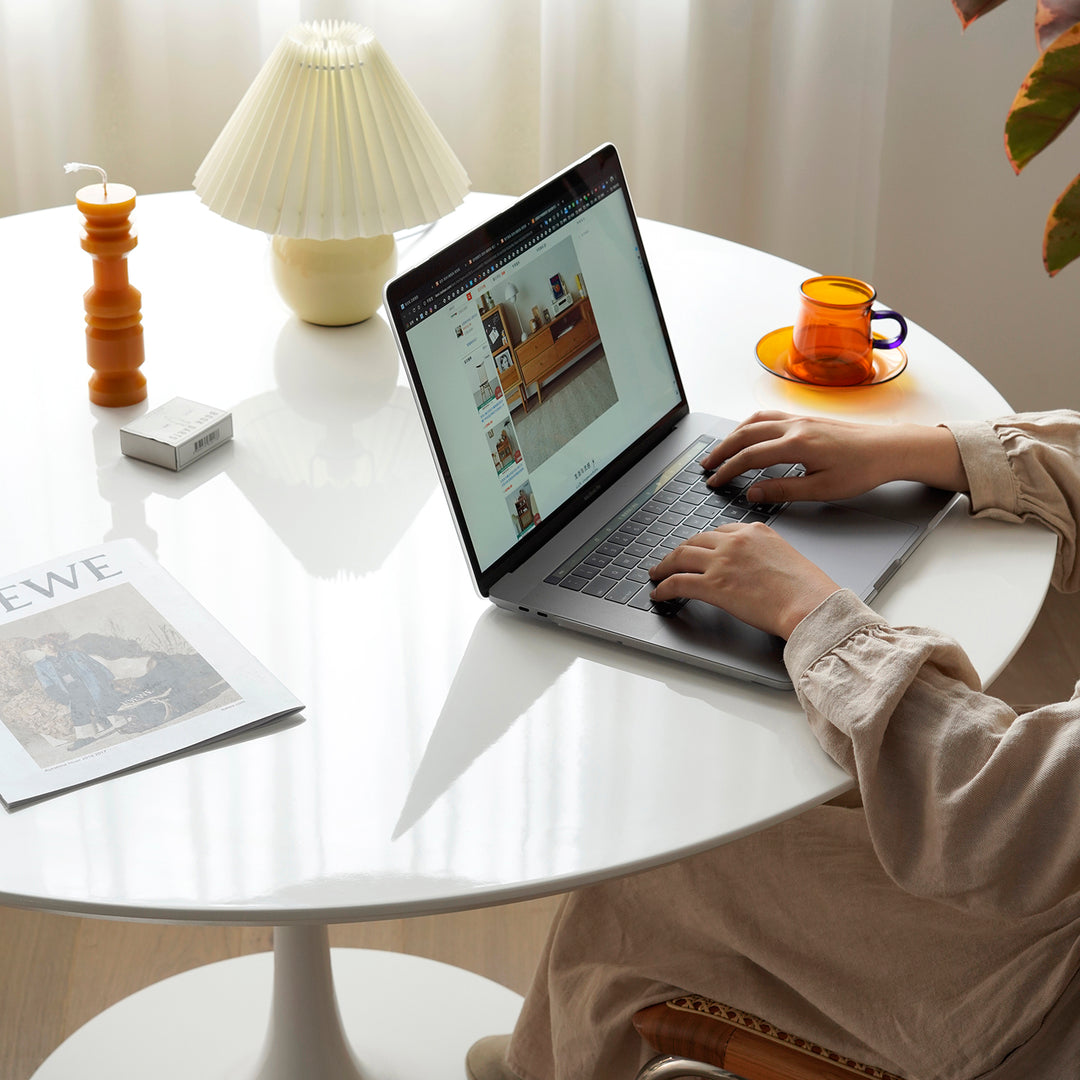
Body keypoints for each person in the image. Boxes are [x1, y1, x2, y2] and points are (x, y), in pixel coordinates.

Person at [466, 409, 1080, 1080]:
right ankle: (557, 1042)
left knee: (663, 848)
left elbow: (998, 817)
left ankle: (545, 1063)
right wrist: (914, 450)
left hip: (1039, 986)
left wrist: (811, 612)